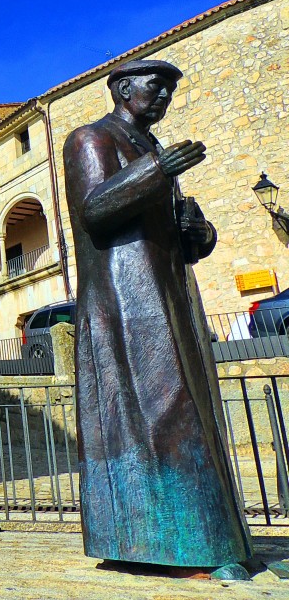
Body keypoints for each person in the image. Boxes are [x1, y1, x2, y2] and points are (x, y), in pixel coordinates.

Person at [63, 59, 252, 579]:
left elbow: (174, 232)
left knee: (187, 412)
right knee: (159, 415)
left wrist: (197, 230)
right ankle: (198, 545)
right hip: (124, 300)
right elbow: (95, 210)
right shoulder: (90, 140)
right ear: (124, 89)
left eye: (170, 88)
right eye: (157, 86)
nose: (165, 95)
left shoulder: (151, 150)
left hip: (167, 293)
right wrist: (158, 172)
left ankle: (195, 540)